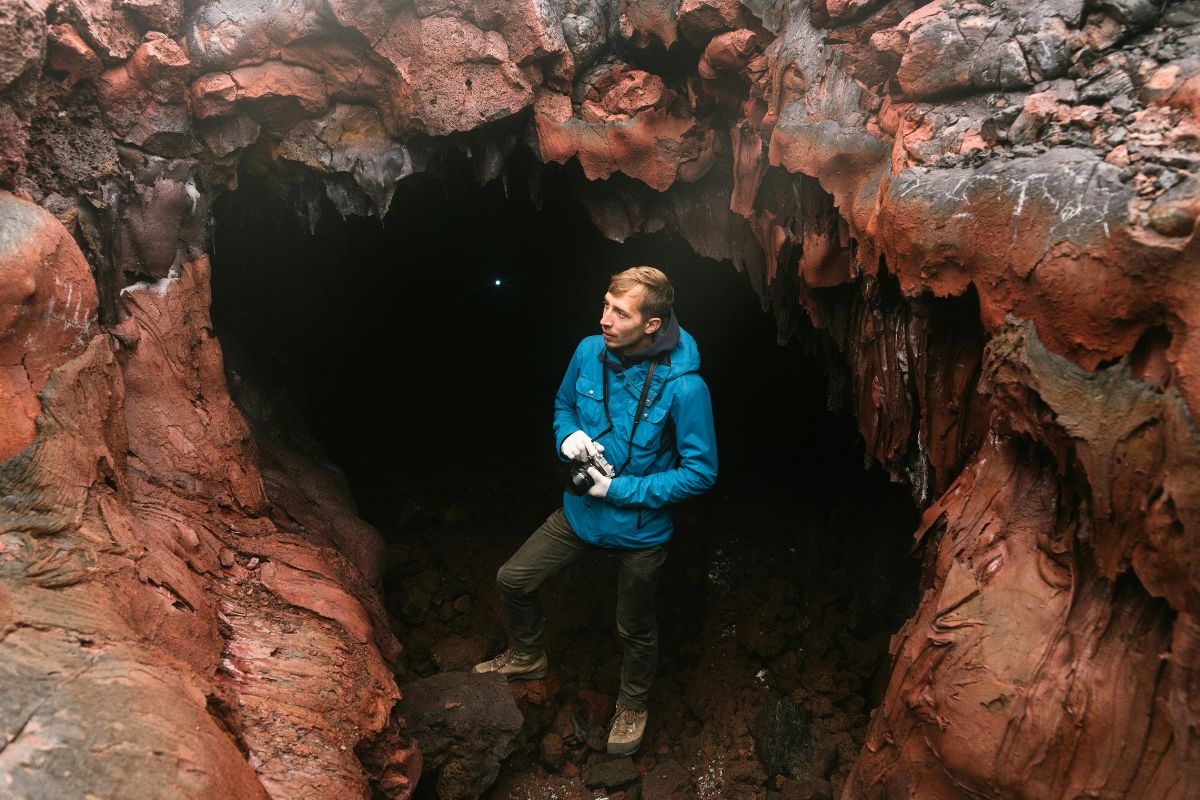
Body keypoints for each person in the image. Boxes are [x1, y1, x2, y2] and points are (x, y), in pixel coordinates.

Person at [473, 266, 718, 756]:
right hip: (581, 512)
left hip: (640, 531)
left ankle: (634, 703)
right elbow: (564, 404)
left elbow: (700, 472)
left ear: (652, 324)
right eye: (605, 304)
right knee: (513, 579)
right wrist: (567, 436)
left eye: (619, 312)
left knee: (634, 627)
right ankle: (527, 654)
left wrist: (620, 490)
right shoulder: (588, 351)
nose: (603, 318)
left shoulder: (687, 388)